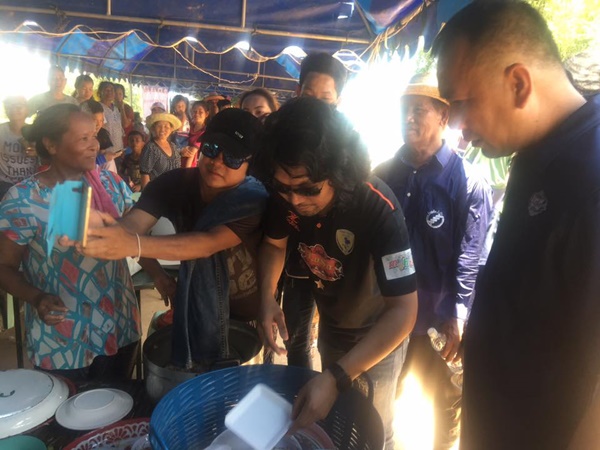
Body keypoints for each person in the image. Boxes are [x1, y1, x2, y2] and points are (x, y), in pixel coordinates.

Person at [432, 2, 600, 449]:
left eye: (461, 104)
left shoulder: (592, 176)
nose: (458, 128)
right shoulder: (533, 151)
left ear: (518, 84)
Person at [254, 97, 418, 449]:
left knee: (374, 431)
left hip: (378, 337)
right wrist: (266, 297)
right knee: (339, 424)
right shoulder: (285, 195)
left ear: (339, 172)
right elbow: (274, 245)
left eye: (309, 189)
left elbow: (404, 310)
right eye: (283, 187)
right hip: (332, 327)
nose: (294, 200)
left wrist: (336, 376)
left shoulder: (378, 208)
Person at [69, 108, 267, 369]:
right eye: (212, 149)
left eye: (232, 158)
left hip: (247, 315)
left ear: (250, 164)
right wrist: (104, 232)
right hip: (195, 309)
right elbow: (134, 225)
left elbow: (206, 244)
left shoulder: (252, 199)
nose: (217, 162)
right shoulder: (174, 184)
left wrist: (130, 243)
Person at [374, 73, 492, 449]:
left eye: (418, 110)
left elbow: (471, 255)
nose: (408, 118)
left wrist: (459, 314)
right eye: (404, 110)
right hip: (388, 314)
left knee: (445, 406)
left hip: (439, 320)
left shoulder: (468, 181)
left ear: (443, 117)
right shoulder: (382, 175)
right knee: (378, 402)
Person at [0, 104, 140, 381]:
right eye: (83, 138)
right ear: (51, 145)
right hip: (63, 336)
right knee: (70, 405)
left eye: (94, 136)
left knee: (116, 399)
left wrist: (160, 275)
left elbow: (135, 235)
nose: (94, 145)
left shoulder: (111, 184)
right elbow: (4, 267)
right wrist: (37, 298)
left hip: (118, 324)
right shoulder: (23, 199)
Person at [281, 53, 349, 369]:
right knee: (294, 338)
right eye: (309, 95)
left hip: (334, 260)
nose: (316, 106)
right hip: (293, 258)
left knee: (335, 344)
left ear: (337, 102)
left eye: (326, 99)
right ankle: (299, 389)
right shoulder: (282, 137)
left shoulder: (346, 146)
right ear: (298, 93)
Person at [0, 96, 38, 199]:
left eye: (18, 106)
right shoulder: (1, 131)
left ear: (27, 110)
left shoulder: (36, 131)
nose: (13, 109)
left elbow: (48, 157)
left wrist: (37, 152)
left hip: (30, 182)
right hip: (4, 183)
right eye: (9, 106)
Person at [139, 112, 181, 188]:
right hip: (156, 192)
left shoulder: (173, 146)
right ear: (153, 128)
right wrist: (147, 193)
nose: (162, 129)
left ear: (171, 129)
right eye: (159, 126)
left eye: (166, 127)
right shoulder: (150, 148)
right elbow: (144, 174)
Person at [97, 82, 125, 166]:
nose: (110, 92)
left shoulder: (115, 108)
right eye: (106, 90)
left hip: (119, 151)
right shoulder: (98, 107)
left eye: (112, 90)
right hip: (106, 153)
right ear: (100, 92)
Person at [182, 100, 210, 168]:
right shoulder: (188, 126)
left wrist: (186, 171)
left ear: (206, 114)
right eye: (195, 111)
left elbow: (191, 154)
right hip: (179, 161)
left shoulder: (204, 132)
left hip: (190, 166)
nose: (197, 114)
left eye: (200, 112)